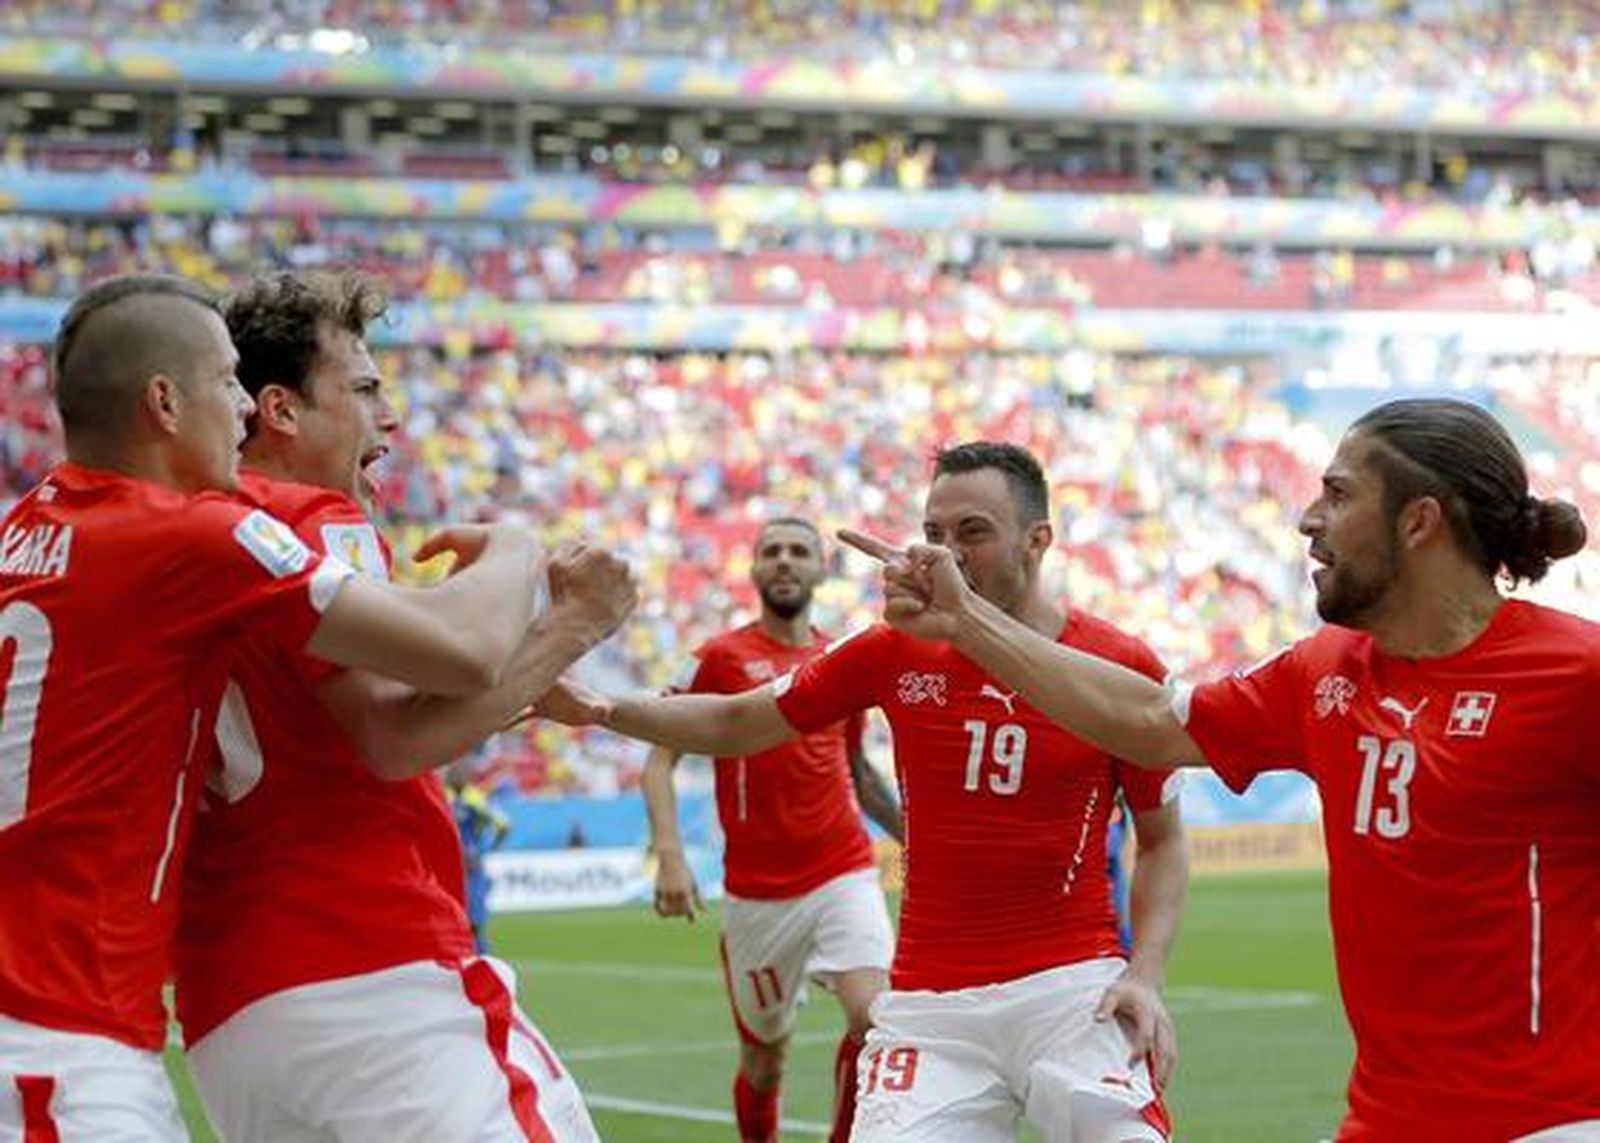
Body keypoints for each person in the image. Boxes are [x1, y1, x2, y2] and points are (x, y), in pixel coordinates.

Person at [843, 399, 1600, 1142]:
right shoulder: (1322, 673)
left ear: (1418, 520)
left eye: (1337, 495)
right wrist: (968, 622)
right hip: (1390, 1119)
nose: (1308, 519)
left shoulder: (1576, 676)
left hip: (1554, 1116)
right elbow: (1147, 721)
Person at [0, 273, 544, 1140]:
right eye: (228, 383)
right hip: (63, 1037)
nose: (247, 408)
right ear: (165, 402)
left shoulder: (22, 533)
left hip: (178, 1016)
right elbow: (457, 654)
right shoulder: (195, 536)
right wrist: (521, 547)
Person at [542, 443, 1189, 1142]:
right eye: (934, 534)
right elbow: (736, 719)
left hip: (1071, 992)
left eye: (973, 532)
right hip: (927, 1004)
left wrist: (1145, 973)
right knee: (770, 1052)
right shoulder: (890, 649)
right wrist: (603, 709)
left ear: (1039, 541)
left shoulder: (1120, 663)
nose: (945, 555)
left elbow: (1162, 839)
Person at [173, 269, 633, 1142]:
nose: (390, 415)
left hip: (230, 1015)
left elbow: (330, 736)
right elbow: (394, 735)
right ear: (279, 410)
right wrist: (558, 600)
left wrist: (524, 684)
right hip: (372, 967)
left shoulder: (195, 536)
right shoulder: (306, 516)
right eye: (365, 387)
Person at [641, 517, 904, 1143]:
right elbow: (658, 756)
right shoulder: (717, 658)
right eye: (772, 552)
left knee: (876, 1022)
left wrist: (920, 834)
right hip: (758, 895)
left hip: (843, 870)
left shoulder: (843, 658)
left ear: (819, 569)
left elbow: (858, 770)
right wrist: (670, 856)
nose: (784, 562)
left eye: (798, 552)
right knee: (764, 1064)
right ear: (755, 569)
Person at [447, 759, 513, 953]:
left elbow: (503, 825)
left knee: (473, 923)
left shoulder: (473, 799)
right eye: (455, 771)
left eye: (462, 771)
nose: (458, 775)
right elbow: (503, 825)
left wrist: (487, 849)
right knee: (458, 922)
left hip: (468, 867)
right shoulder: (468, 798)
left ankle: (478, 961)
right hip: (454, 866)